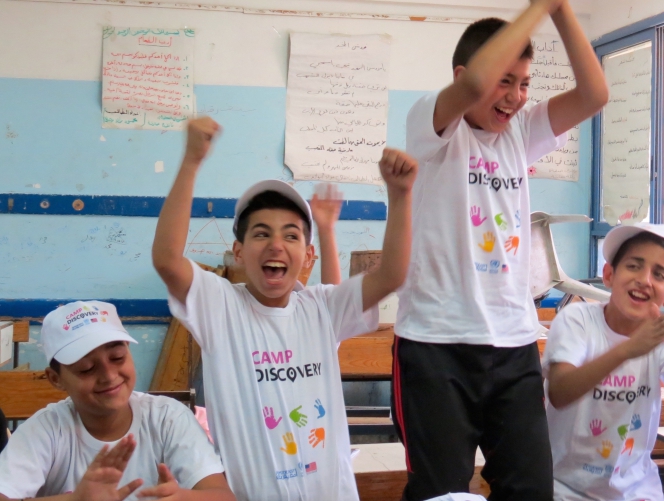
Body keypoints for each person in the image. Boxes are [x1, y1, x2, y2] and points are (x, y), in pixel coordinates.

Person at [392, 0, 609, 499]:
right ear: (465, 73)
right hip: (436, 345)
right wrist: (535, 8)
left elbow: (595, 93)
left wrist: (559, 12)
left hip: (513, 345)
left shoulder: (521, 132)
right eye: (504, 80)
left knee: (531, 488)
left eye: (524, 83)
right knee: (442, 492)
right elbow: (471, 88)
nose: (514, 96)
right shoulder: (431, 123)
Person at [151, 117, 416, 500]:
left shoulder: (321, 308)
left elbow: (391, 275)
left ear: (307, 255)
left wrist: (401, 195)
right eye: (261, 233)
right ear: (239, 252)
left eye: (291, 235)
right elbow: (166, 259)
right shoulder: (221, 306)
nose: (276, 245)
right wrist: (192, 160)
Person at [0, 300, 232, 501]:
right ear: (56, 379)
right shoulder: (47, 431)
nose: (109, 376)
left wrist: (182, 497)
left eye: (117, 358)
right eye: (86, 369)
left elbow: (222, 495)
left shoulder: (168, 419)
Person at [543, 224, 664, 500]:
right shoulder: (578, 321)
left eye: (659, 274)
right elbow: (559, 393)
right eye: (634, 266)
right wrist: (629, 349)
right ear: (609, 274)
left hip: (637, 489)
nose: (644, 280)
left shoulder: (660, 338)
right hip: (564, 487)